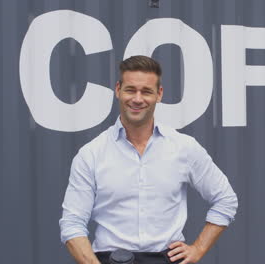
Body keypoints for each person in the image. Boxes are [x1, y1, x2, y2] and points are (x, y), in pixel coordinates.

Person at [59, 55, 238, 264]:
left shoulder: (184, 147)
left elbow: (226, 199)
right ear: (118, 90)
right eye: (130, 90)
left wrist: (197, 249)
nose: (137, 99)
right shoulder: (91, 154)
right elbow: (72, 224)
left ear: (159, 94)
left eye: (146, 91)